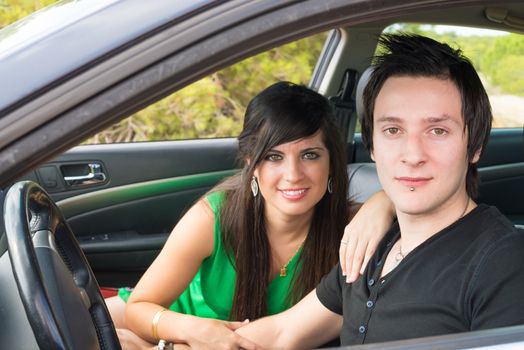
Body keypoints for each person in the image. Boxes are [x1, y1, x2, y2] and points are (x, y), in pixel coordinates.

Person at [235, 33, 524, 348]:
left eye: (438, 130)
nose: (412, 155)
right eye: (393, 130)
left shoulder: (503, 264)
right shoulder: (372, 243)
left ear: (475, 146)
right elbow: (282, 333)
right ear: (371, 145)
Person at [111, 81, 395, 349]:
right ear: (251, 163)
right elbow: (139, 308)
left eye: (310, 155)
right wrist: (190, 331)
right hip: (173, 323)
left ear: (332, 162)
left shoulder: (356, 227)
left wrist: (386, 200)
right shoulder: (213, 217)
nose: (293, 175)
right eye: (273, 157)